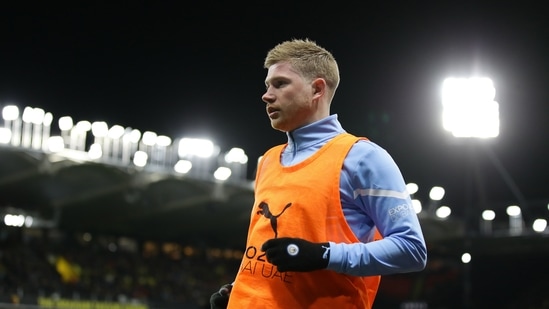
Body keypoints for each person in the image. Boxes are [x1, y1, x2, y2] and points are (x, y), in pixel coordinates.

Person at [210, 38, 427, 309]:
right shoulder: (268, 160)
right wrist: (240, 290)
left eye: (280, 84)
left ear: (317, 89)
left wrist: (325, 254)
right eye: (267, 86)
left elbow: (412, 250)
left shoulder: (362, 158)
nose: (266, 95)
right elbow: (268, 251)